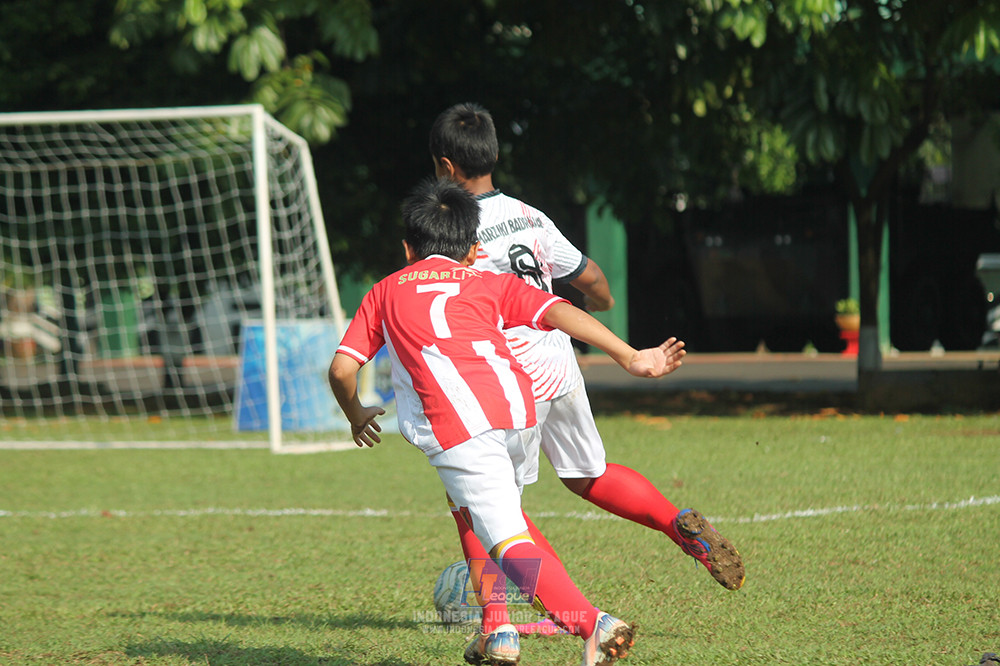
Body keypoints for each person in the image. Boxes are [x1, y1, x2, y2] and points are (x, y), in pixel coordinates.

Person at [328, 177, 686, 665]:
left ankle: (593, 625)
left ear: (408, 248)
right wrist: (629, 357)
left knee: (508, 537)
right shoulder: (488, 281)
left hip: (460, 428)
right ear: (474, 251)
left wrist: (355, 415)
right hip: (519, 411)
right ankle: (497, 633)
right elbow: (558, 309)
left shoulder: (385, 292)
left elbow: (342, 369)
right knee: (477, 513)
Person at [428, 103, 745, 612]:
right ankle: (676, 523)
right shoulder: (530, 215)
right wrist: (600, 304)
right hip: (558, 360)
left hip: (506, 378)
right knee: (586, 474)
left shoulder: (449, 231)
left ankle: (524, 616)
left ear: (445, 167)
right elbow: (589, 276)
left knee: (478, 501)